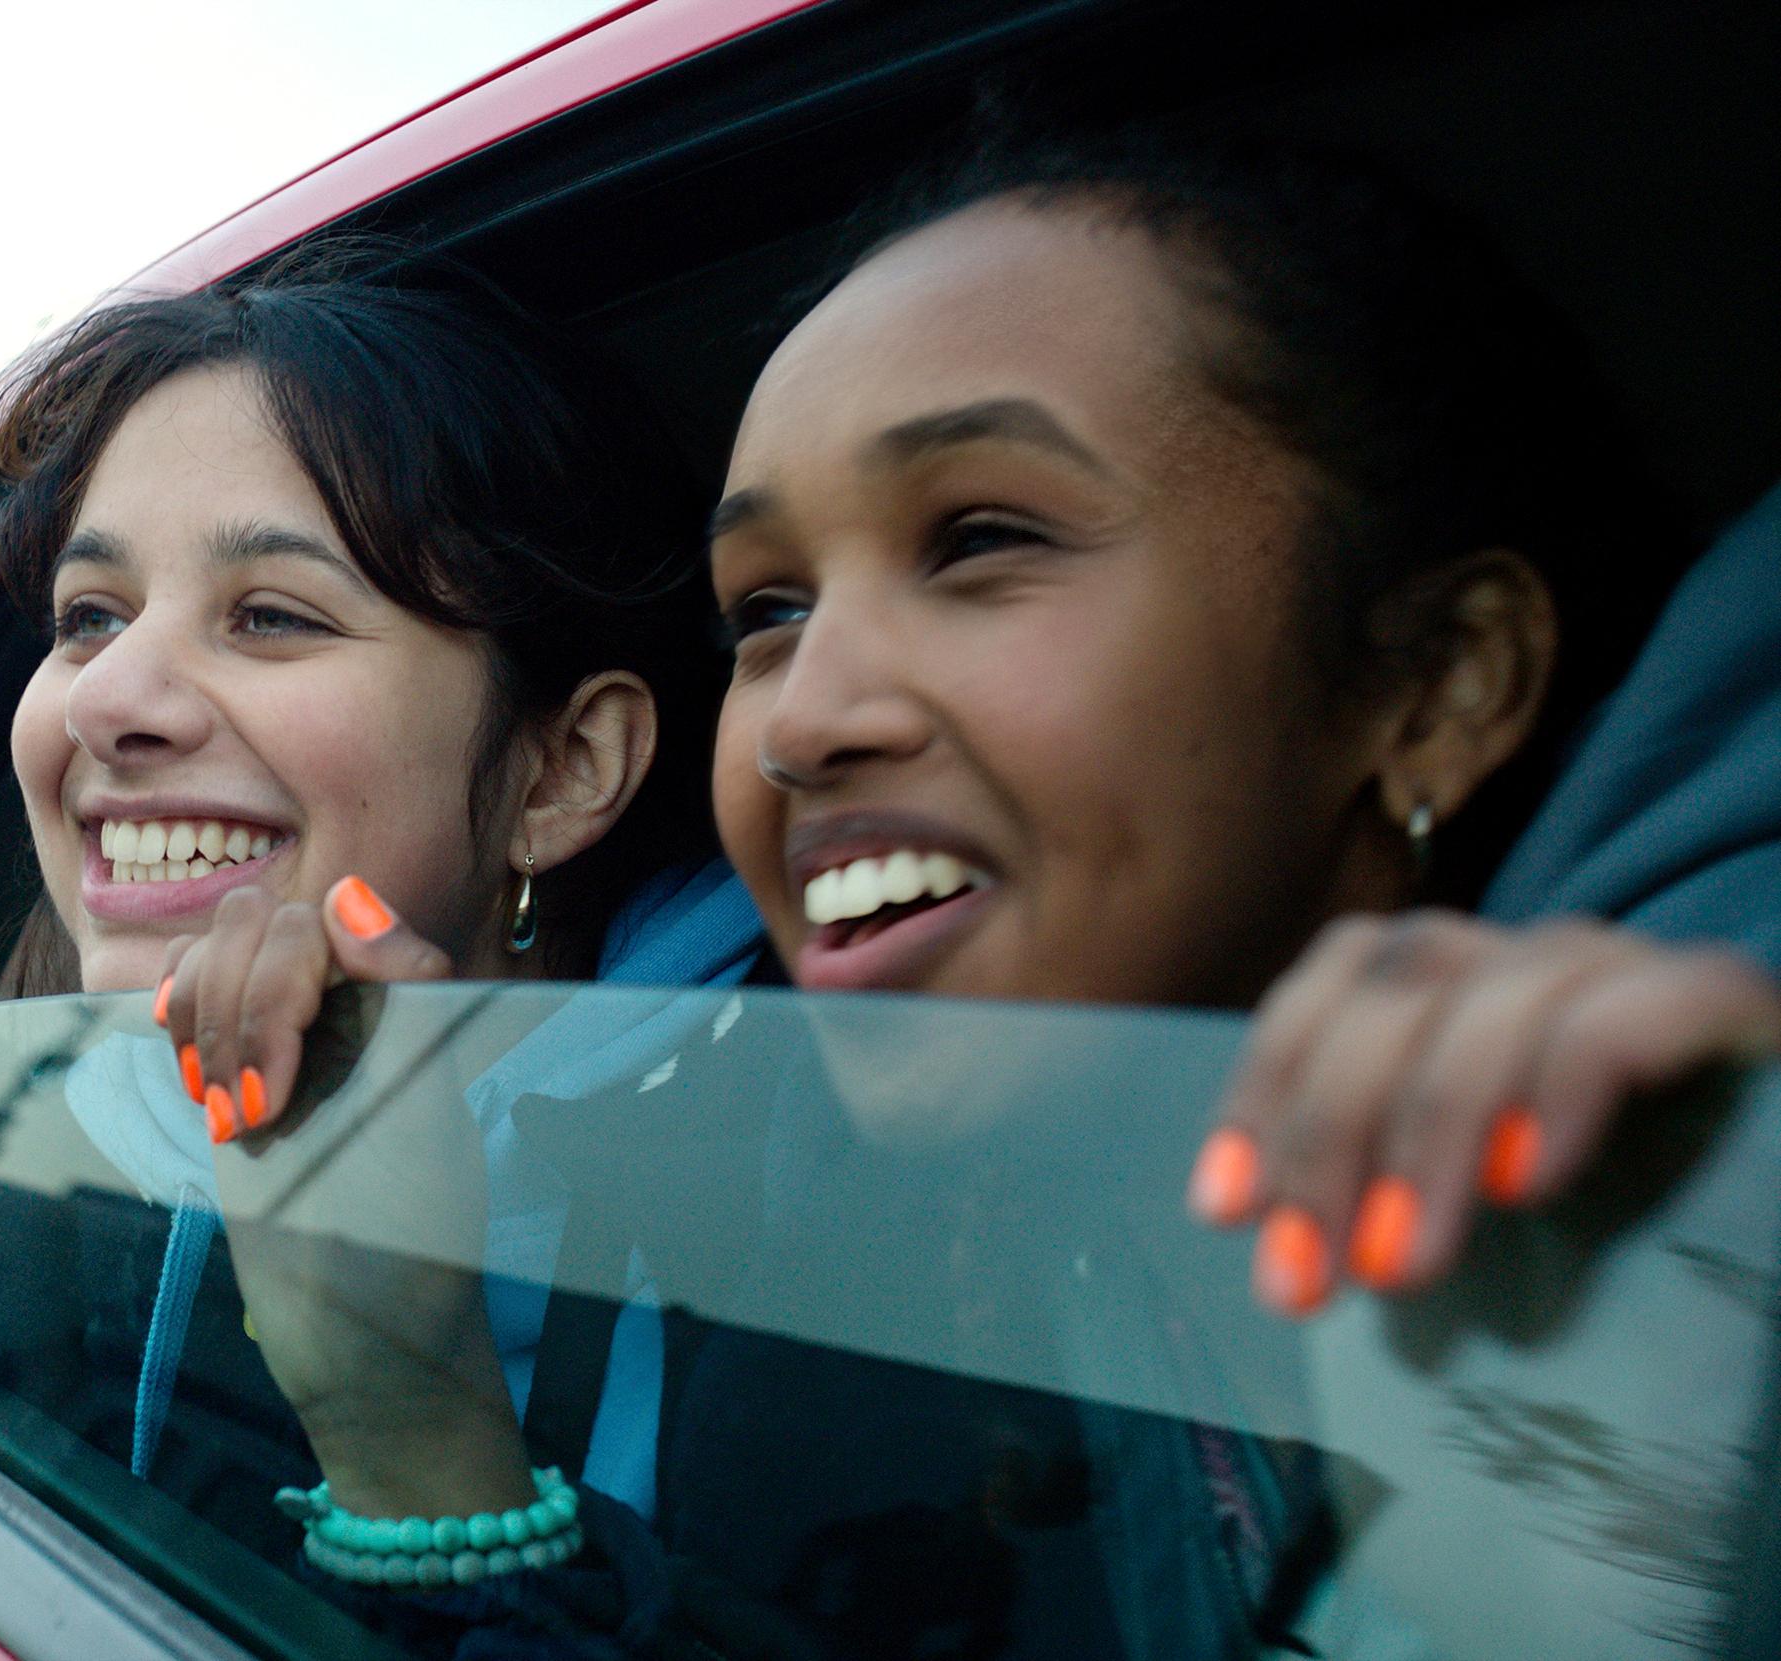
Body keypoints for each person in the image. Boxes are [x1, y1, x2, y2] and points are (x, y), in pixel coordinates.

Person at [684, 130, 1781, 1656]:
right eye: (766, 609)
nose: (801, 718)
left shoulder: (1706, 1201)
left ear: (1437, 680)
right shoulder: (1097, 1209)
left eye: (980, 538)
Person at [0, 244, 768, 1565]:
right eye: (89, 614)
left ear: (563, 770)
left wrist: (409, 1422)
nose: (106, 698)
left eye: (272, 616)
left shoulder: (829, 1258)